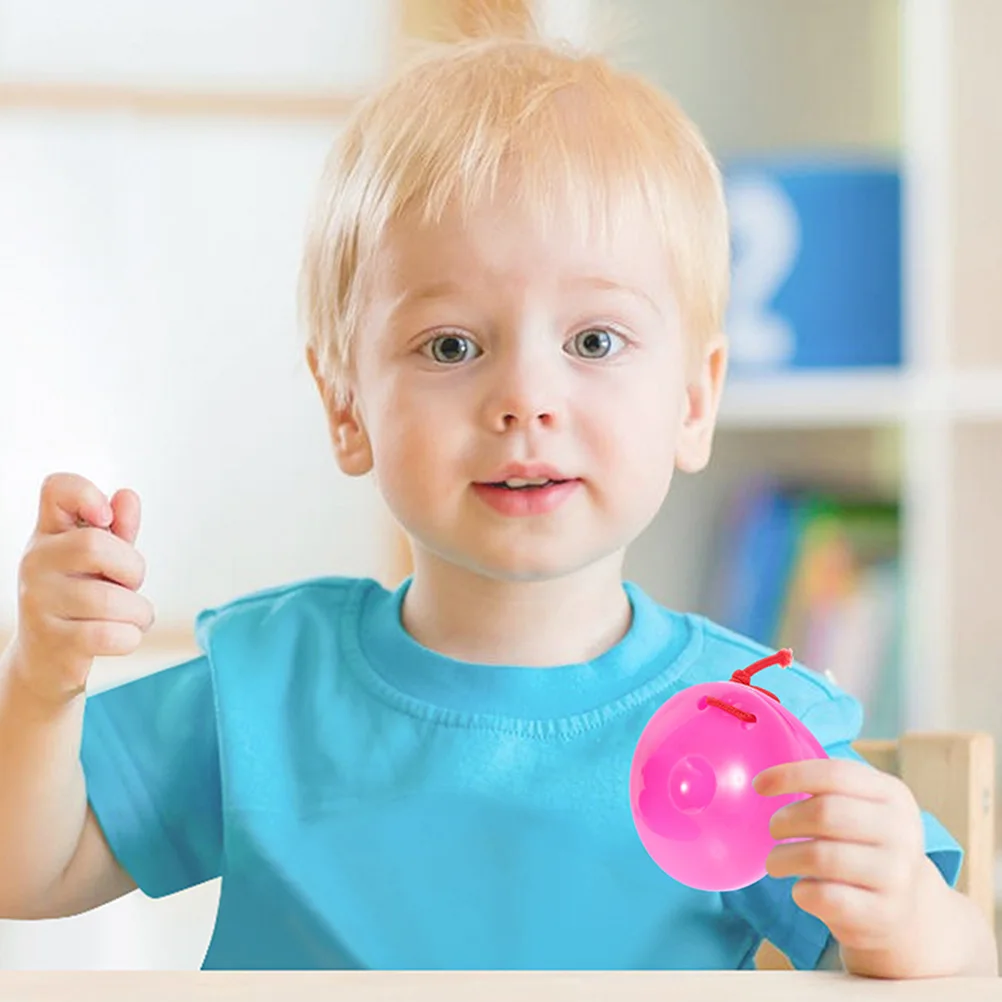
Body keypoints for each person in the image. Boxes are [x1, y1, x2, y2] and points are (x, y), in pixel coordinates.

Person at [0, 28, 996, 976]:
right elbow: (27, 872)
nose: (525, 397)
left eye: (594, 341)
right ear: (346, 406)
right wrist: (44, 675)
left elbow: (958, 961)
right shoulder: (266, 685)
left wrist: (908, 913)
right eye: (451, 346)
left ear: (694, 403)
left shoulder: (751, 725)